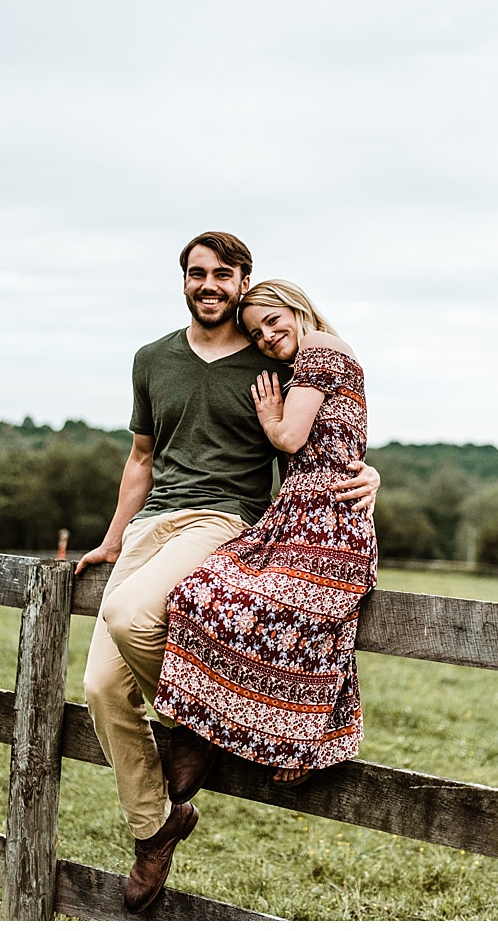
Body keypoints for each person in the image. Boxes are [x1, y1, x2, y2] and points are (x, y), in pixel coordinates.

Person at [77, 233, 380, 914]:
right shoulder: (151, 358)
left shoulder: (275, 353)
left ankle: (204, 717)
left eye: (222, 275)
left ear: (244, 281)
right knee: (99, 687)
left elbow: (327, 426)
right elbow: (141, 457)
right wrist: (111, 536)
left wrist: (369, 475)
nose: (208, 284)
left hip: (222, 521)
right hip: (151, 525)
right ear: (183, 281)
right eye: (196, 273)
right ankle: (156, 826)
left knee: (132, 618)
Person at [153, 278, 377, 796]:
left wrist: (271, 416)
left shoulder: (323, 349)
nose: (267, 338)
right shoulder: (307, 367)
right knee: (199, 589)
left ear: (298, 310)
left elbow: (290, 438)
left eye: (274, 322)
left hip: (330, 520)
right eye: (256, 334)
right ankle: (206, 721)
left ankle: (297, 739)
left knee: (293, 612)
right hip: (296, 512)